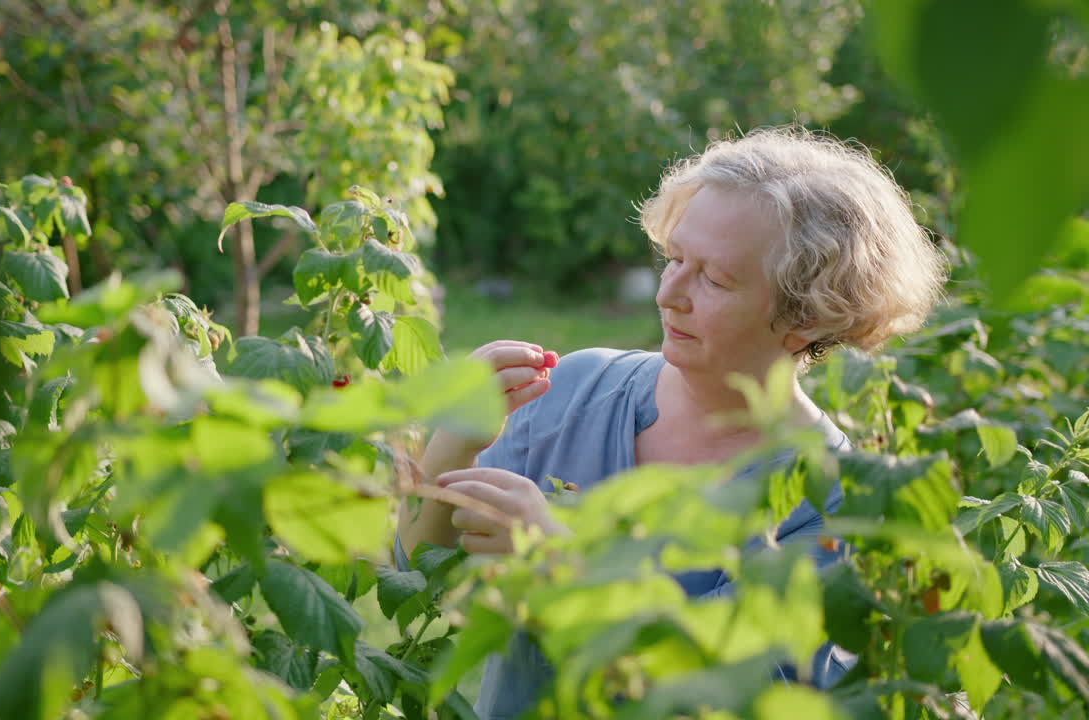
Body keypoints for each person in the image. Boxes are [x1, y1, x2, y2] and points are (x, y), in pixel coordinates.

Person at [394, 127, 948, 720]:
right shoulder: (573, 391)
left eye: (714, 278)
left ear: (807, 315)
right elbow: (422, 571)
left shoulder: (831, 504)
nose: (670, 293)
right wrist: (453, 444)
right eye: (675, 258)